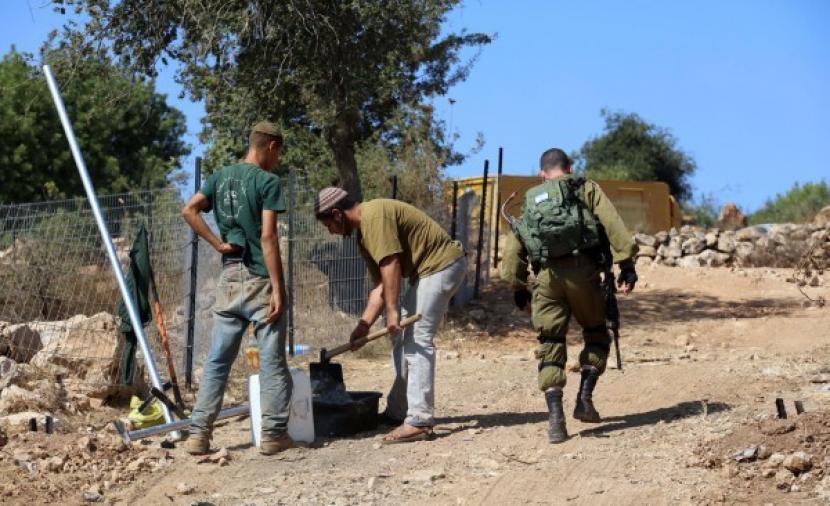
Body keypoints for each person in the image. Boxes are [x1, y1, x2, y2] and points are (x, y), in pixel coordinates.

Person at [500, 148, 638, 443]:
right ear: (570, 167)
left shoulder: (533, 200)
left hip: (548, 279)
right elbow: (613, 224)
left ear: (542, 174)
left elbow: (515, 249)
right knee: (597, 333)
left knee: (550, 342)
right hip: (584, 273)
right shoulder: (584, 187)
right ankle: (584, 398)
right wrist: (627, 265)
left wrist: (518, 286)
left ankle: (555, 421)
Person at [314, 187, 467, 443]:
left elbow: (391, 264)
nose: (330, 231)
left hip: (442, 266)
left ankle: (419, 420)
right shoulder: (364, 235)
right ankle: (399, 410)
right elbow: (380, 287)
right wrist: (363, 326)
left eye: (329, 224)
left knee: (417, 339)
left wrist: (393, 311)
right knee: (401, 340)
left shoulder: (374, 217)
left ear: (337, 214)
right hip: (427, 273)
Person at [180, 121, 293, 455]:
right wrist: (278, 287)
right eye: (279, 152)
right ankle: (273, 435)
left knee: (217, 361)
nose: (278, 159)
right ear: (271, 146)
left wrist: (217, 244)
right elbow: (268, 237)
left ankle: (199, 435)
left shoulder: (220, 177)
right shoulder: (268, 182)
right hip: (259, 278)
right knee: (272, 360)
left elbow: (188, 209)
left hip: (230, 277)